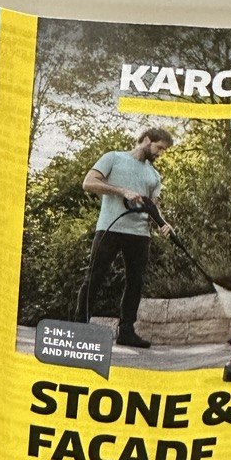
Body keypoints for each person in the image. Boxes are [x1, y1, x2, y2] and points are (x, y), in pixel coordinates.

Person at [76, 127, 174, 348]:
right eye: (159, 148)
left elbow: (152, 206)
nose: (161, 153)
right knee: (94, 277)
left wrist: (163, 223)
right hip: (109, 228)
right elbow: (88, 182)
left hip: (139, 233)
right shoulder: (114, 158)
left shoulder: (154, 175)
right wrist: (122, 191)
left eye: (164, 151)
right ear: (147, 140)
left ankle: (126, 331)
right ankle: (80, 328)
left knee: (135, 282)